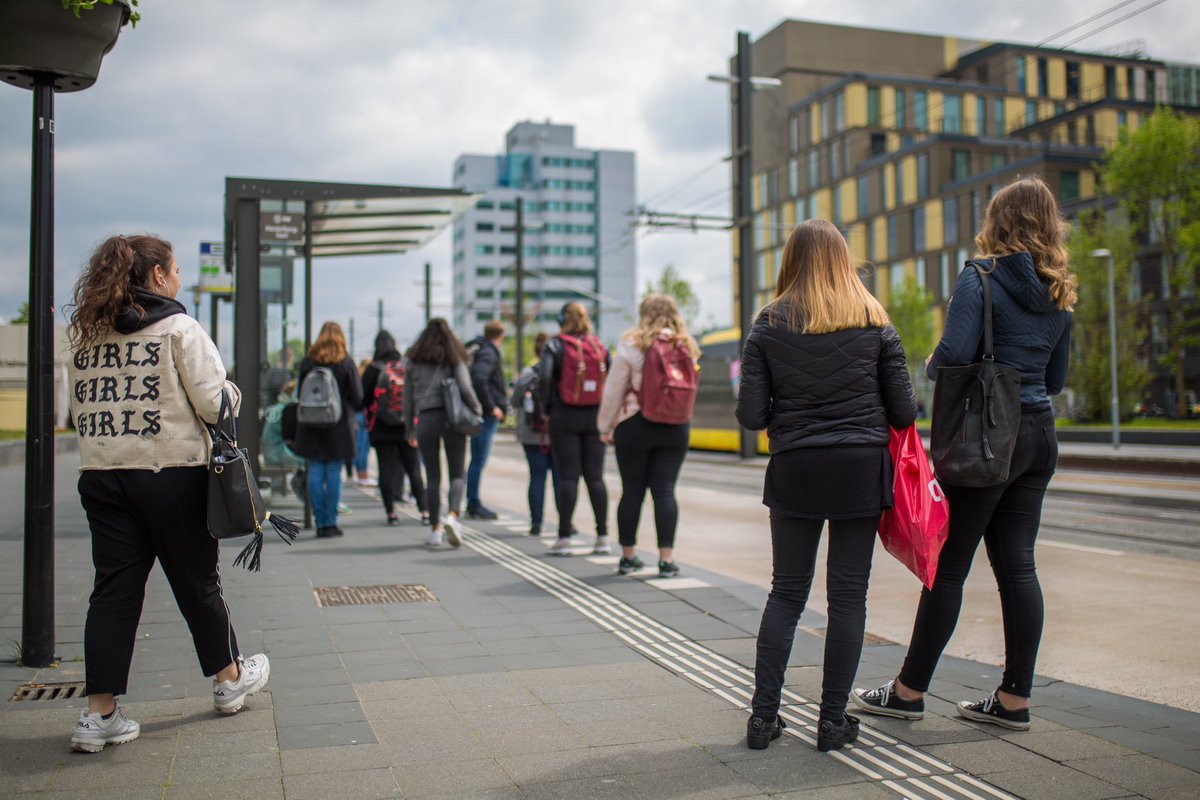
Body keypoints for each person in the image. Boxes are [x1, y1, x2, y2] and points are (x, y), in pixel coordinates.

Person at [853, 176, 1074, 733]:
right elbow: (1058, 376)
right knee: (1019, 567)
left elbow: (953, 354)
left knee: (947, 570)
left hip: (986, 439)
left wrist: (929, 362)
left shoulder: (981, 276)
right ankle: (1014, 699)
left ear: (997, 223)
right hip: (1038, 435)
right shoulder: (1058, 289)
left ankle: (907, 692)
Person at [65, 234, 270, 753]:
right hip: (172, 472)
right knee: (197, 581)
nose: (178, 279)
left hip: (103, 476)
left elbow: (75, 413)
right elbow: (212, 403)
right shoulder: (178, 327)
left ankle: (99, 714)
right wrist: (231, 390)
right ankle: (229, 680)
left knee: (112, 591)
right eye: (174, 270)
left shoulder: (85, 336)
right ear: (157, 276)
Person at [736, 219, 917, 753]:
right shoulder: (875, 320)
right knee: (848, 596)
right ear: (844, 259)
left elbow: (750, 416)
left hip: (796, 467)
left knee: (787, 592)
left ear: (790, 261)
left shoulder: (767, 325)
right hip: (860, 469)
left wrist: (791, 412)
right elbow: (905, 411)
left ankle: (763, 719)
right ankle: (832, 722)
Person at [598, 294, 699, 578]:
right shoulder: (687, 345)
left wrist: (605, 427)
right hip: (676, 427)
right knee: (665, 491)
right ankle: (666, 560)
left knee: (632, 491)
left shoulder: (632, 344)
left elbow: (613, 390)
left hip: (636, 424)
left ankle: (628, 557)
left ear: (643, 314)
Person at [537, 302, 611, 556]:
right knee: (595, 477)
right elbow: (610, 379)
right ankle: (602, 537)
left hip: (564, 415)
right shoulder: (598, 346)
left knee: (568, 477)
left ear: (561, 320)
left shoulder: (554, 345)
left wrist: (546, 408)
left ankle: (564, 538)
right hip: (595, 416)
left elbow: (545, 378)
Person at [402, 318, 482, 548]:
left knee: (433, 477)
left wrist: (409, 428)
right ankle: (453, 517)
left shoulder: (413, 361)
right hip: (453, 419)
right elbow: (466, 388)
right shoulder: (453, 357)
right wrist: (477, 410)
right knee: (457, 473)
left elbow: (407, 399)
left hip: (425, 419)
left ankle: (435, 530)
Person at [294, 321, 363, 538]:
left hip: (311, 425)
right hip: (338, 426)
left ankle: (319, 521)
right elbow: (358, 397)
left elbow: (299, 393)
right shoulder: (346, 363)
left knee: (315, 472)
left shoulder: (308, 362)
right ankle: (331, 523)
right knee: (333, 472)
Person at [362, 330, 428, 527]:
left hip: (381, 428)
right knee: (413, 468)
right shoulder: (405, 366)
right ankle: (424, 511)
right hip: (406, 426)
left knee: (386, 470)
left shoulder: (373, 369)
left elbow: (362, 399)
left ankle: (391, 513)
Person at [511, 332, 560, 536]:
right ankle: (565, 523)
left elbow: (514, 402)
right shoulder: (561, 373)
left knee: (537, 477)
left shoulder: (528, 374)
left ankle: (536, 523)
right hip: (558, 434)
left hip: (532, 435)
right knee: (560, 479)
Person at [466, 320, 508, 519]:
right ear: (501, 335)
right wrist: (492, 407)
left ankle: (471, 501)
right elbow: (480, 379)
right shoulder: (488, 353)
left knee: (475, 460)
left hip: (478, 413)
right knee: (478, 460)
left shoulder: (477, 348)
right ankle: (473, 503)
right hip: (485, 415)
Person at [262, 378, 305, 495]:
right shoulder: (286, 409)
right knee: (310, 463)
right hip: (278, 453)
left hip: (272, 451)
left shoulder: (277, 408)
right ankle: (314, 498)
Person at [351, 358, 375, 486]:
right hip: (365, 415)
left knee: (358, 446)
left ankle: (358, 473)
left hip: (356, 415)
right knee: (364, 448)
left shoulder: (357, 377)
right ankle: (363, 475)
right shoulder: (367, 378)